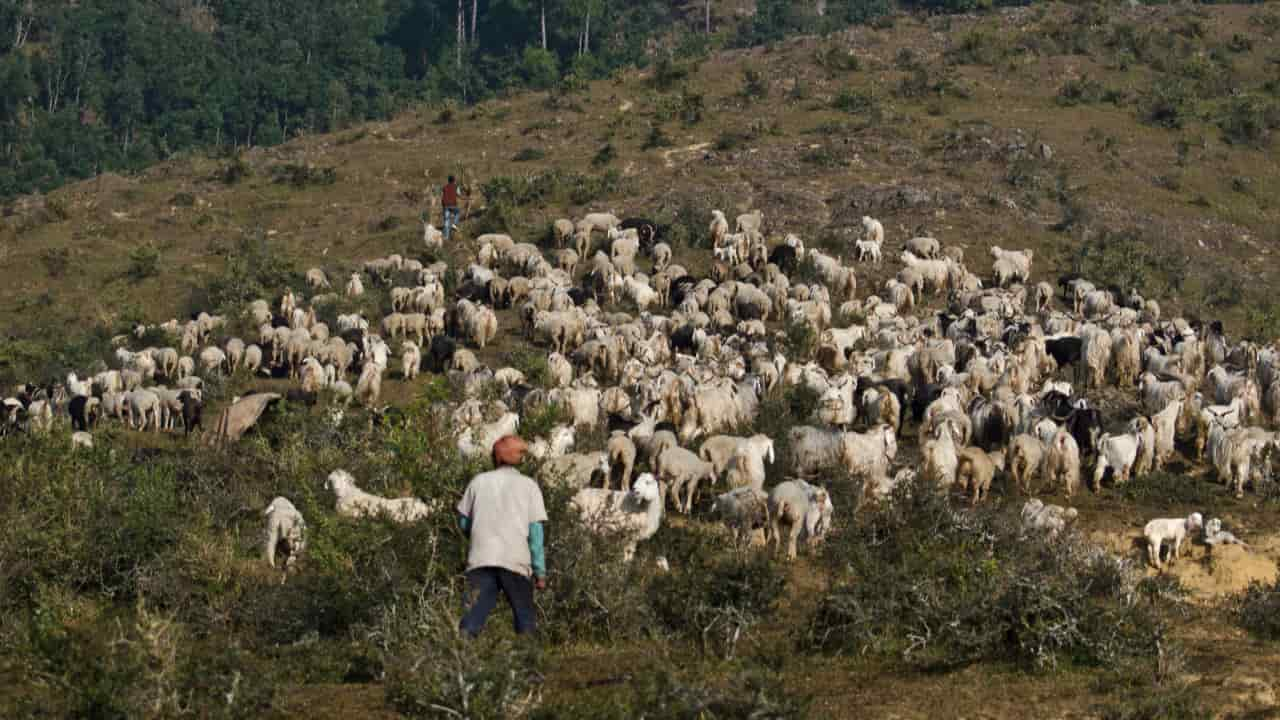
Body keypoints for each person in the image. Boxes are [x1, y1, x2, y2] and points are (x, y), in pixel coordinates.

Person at [456, 435, 548, 637]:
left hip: (481, 559)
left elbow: (463, 522)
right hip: (515, 561)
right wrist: (540, 572)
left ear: (496, 458)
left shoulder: (478, 482)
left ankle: (461, 659)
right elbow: (535, 535)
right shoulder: (529, 486)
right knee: (524, 620)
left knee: (472, 619)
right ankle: (527, 662)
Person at [442, 175, 460, 241]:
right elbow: (458, 195)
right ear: (454, 180)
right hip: (453, 205)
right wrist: (467, 198)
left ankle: (446, 237)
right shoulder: (456, 187)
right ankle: (454, 224)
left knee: (446, 221)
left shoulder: (444, 187)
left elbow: (443, 195)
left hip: (445, 206)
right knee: (458, 212)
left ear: (448, 180)